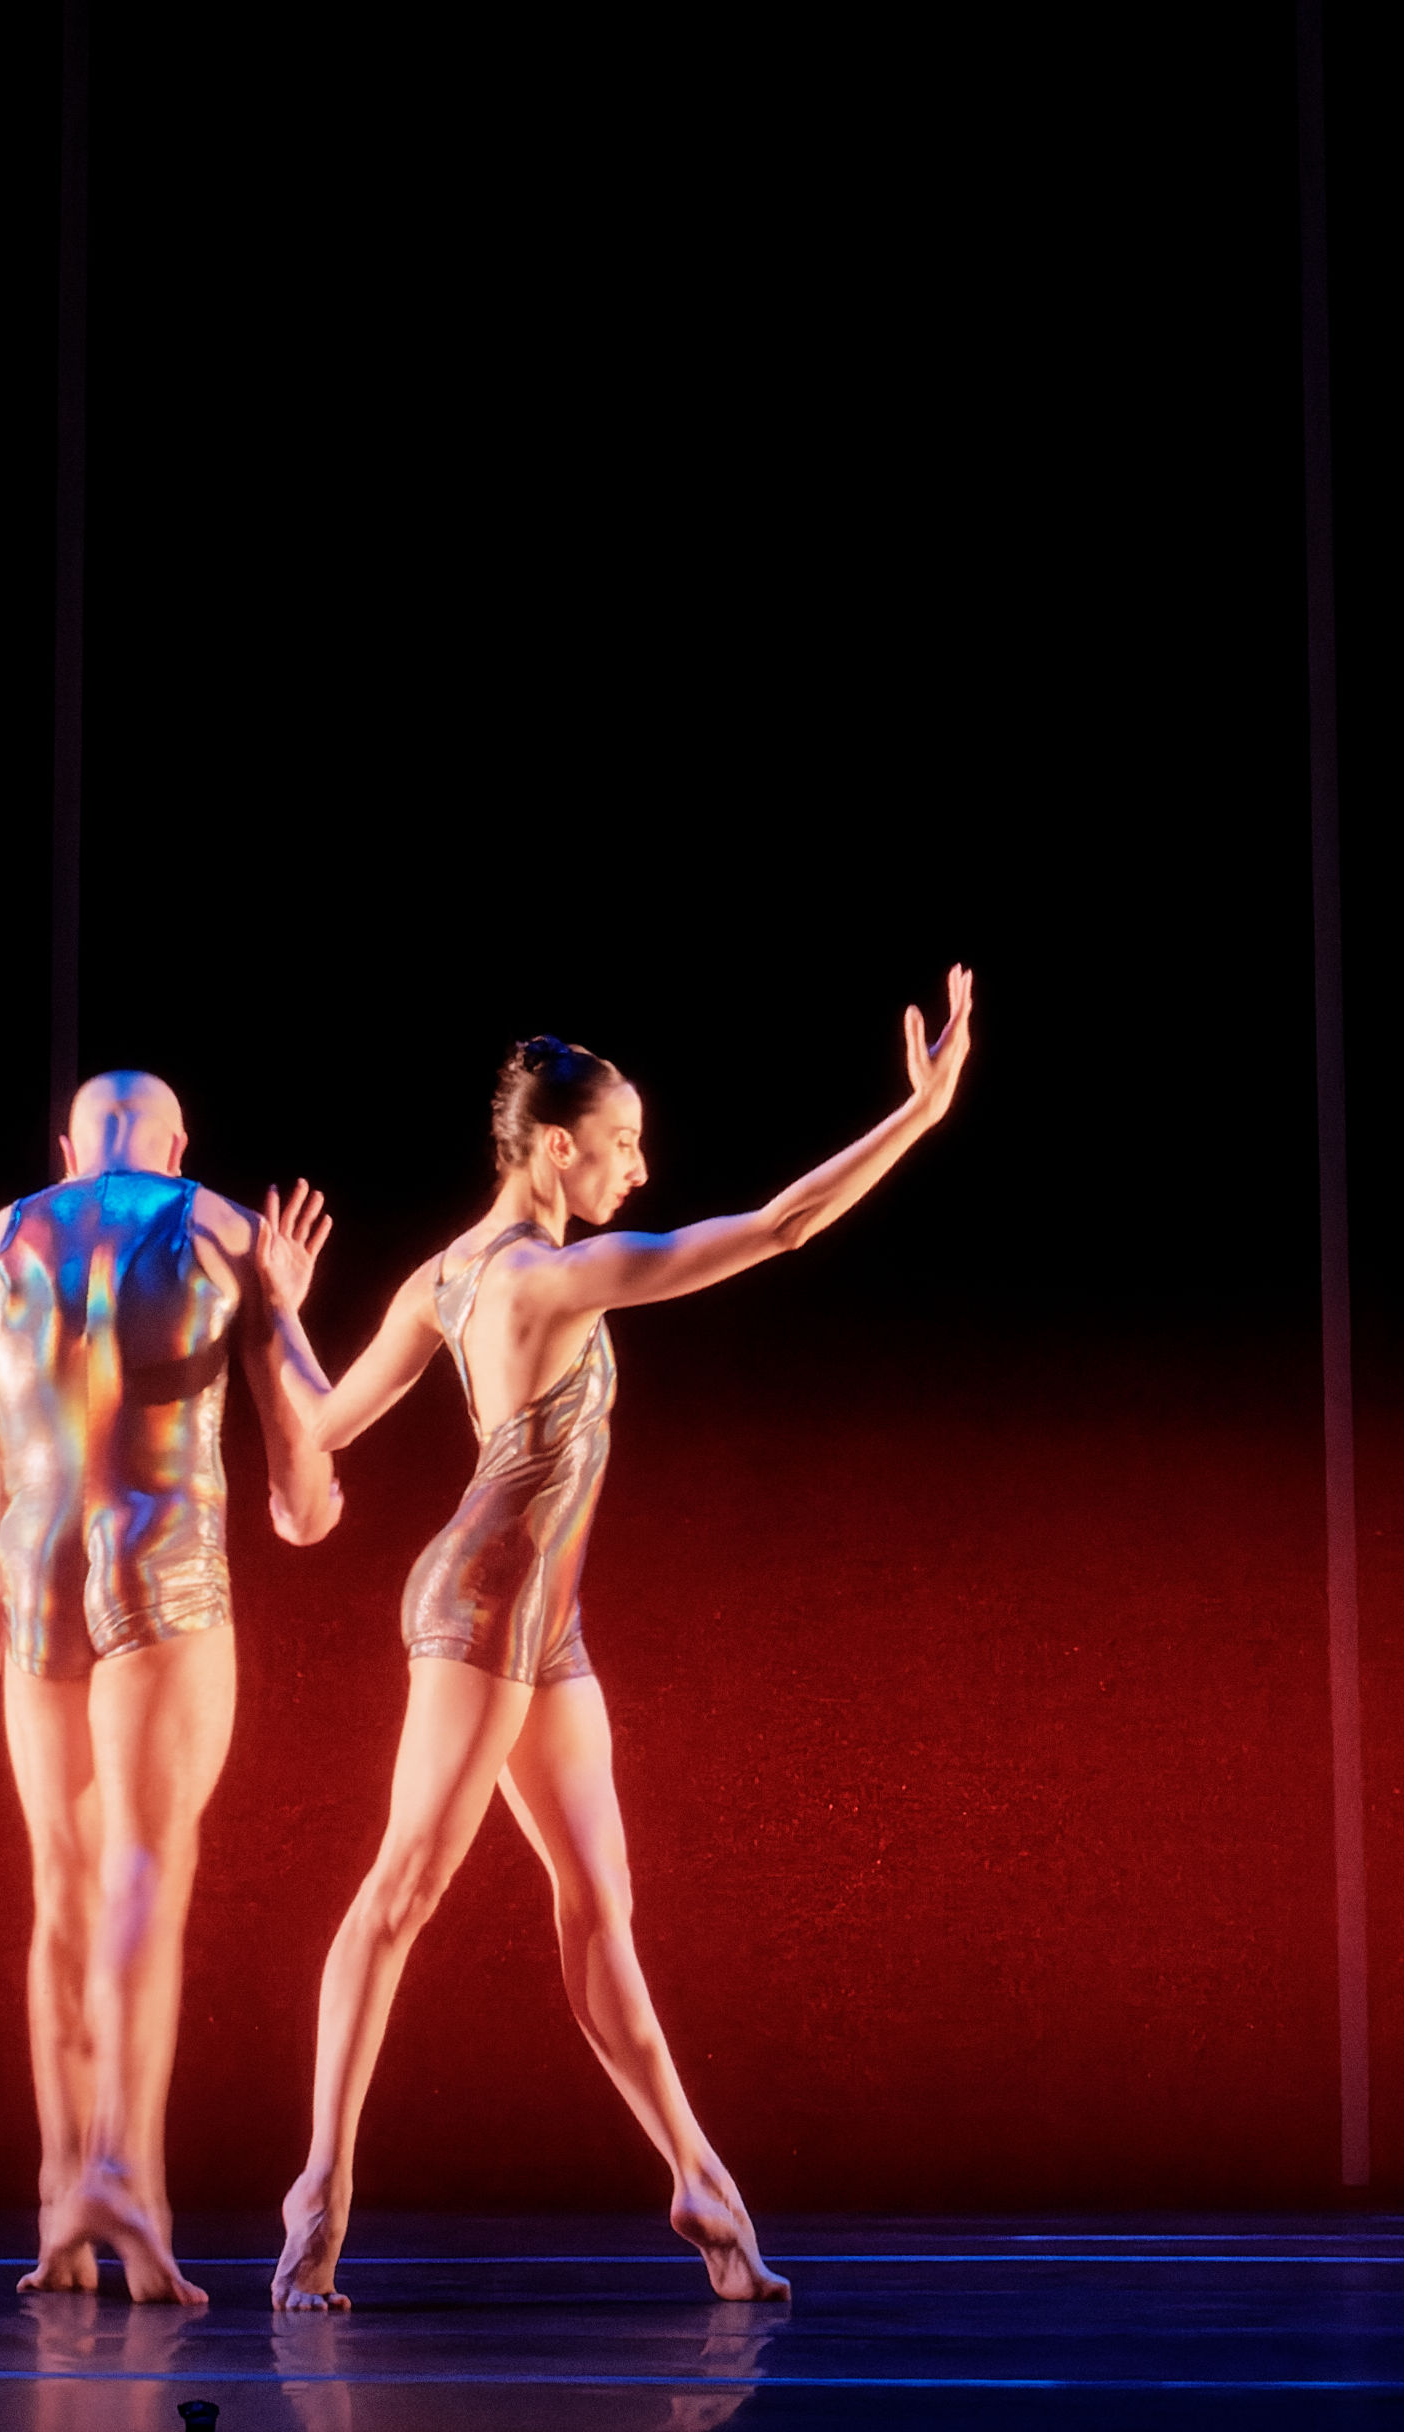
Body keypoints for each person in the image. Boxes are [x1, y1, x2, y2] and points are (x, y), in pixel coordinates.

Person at [269, 972, 978, 2313]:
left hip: (544, 1625)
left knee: (601, 1909)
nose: (639, 1168)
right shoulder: (551, 1277)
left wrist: (286, 1313)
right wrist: (918, 1118)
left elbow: (321, 1420)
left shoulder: (443, 1277)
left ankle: (698, 2181)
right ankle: (320, 2190)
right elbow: (779, 1228)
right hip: (479, 1609)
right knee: (401, 1891)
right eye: (622, 1144)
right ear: (554, 1149)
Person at [0, 1071, 343, 2305]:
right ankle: (128, 2172)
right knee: (143, 1875)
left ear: (64, 1149)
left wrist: (0, 1562)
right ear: (179, 1147)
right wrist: (287, 1312)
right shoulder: (225, 1230)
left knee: (59, 1886)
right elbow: (306, 1497)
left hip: (36, 1566)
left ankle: (59, 2197)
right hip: (162, 1565)